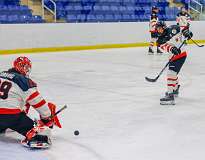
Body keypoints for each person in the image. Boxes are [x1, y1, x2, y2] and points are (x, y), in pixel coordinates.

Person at [0, 56, 61, 148]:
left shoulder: (1, 74)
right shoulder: (25, 81)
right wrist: (47, 117)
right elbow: (38, 102)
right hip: (12, 117)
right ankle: (34, 136)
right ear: (18, 66)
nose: (27, 70)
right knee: (42, 132)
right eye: (25, 67)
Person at [155, 21, 193, 105]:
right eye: (157, 29)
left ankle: (170, 95)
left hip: (181, 54)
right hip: (173, 56)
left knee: (170, 73)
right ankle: (175, 89)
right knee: (173, 74)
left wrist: (187, 33)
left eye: (160, 29)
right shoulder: (160, 40)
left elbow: (183, 30)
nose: (158, 31)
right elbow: (164, 47)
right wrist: (172, 49)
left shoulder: (173, 28)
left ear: (164, 27)